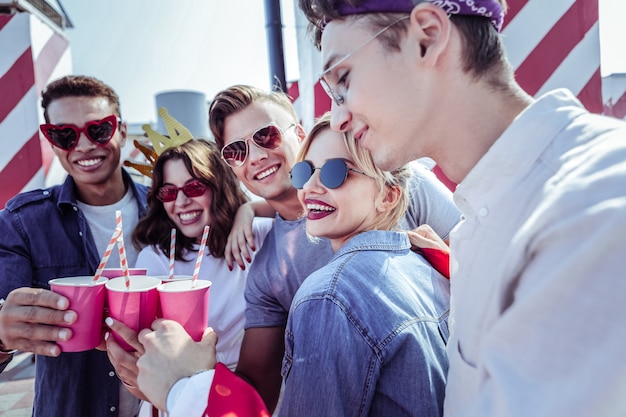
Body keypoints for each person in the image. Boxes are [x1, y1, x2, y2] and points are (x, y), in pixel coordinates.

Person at [299, 1, 626, 416]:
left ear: (427, 37)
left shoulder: (589, 208)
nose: (337, 117)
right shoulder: (486, 217)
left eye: (343, 80)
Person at [135, 113, 451, 417]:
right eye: (304, 172)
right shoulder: (424, 262)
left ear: (389, 196)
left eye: (334, 173)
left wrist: (185, 387)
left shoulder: (326, 296)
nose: (310, 187)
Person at [207, 84, 460, 411]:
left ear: (298, 132)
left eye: (266, 136)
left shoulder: (397, 179)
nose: (255, 156)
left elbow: (479, 263)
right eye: (236, 151)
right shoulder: (267, 268)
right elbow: (258, 387)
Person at [0, 75, 148, 417]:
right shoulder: (23, 222)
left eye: (98, 129)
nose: (83, 145)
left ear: (122, 131)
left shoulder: (168, 207)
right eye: (65, 135)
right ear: (51, 141)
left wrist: (246, 211)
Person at [105, 123, 272, 416]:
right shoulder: (154, 258)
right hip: (173, 398)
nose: (181, 202)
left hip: (244, 395)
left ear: (218, 187)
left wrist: (250, 210)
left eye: (194, 187)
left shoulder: (257, 236)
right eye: (169, 192)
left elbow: (302, 208)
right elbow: (140, 359)